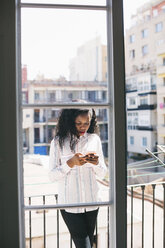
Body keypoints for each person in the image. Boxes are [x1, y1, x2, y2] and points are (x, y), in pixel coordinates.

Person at [49, 108, 107, 248]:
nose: (83, 127)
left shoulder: (94, 139)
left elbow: (103, 173)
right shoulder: (58, 142)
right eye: (78, 123)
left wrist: (96, 163)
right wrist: (70, 163)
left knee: (87, 243)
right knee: (84, 245)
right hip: (70, 205)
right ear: (70, 122)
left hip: (92, 202)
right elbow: (52, 176)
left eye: (86, 123)